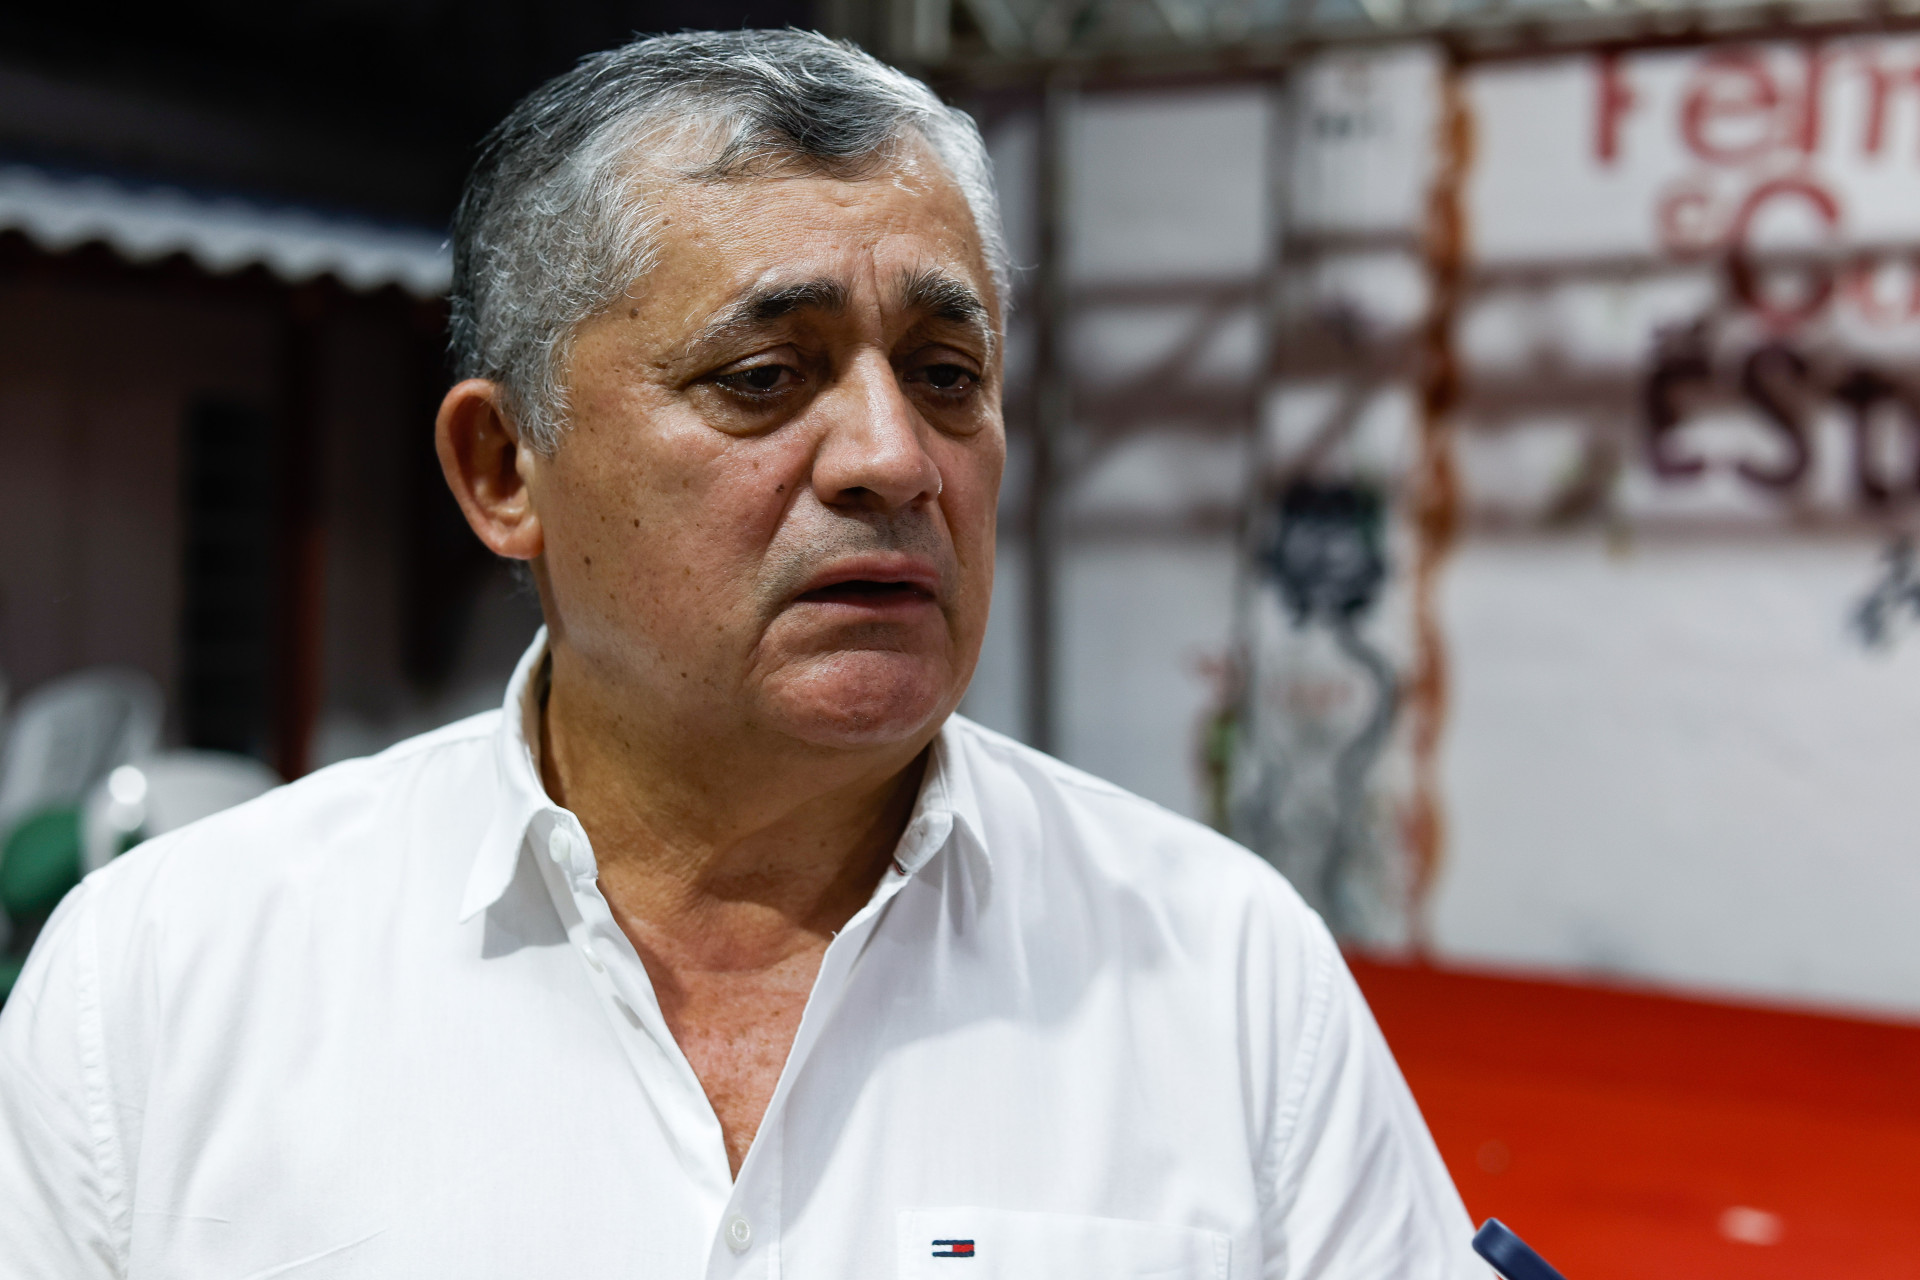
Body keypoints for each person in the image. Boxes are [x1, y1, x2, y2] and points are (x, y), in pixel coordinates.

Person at [0, 30, 1484, 1279]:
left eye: (947, 375)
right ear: (505, 468)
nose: (893, 458)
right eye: (765, 377)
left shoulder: (1223, 974)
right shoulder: (167, 982)